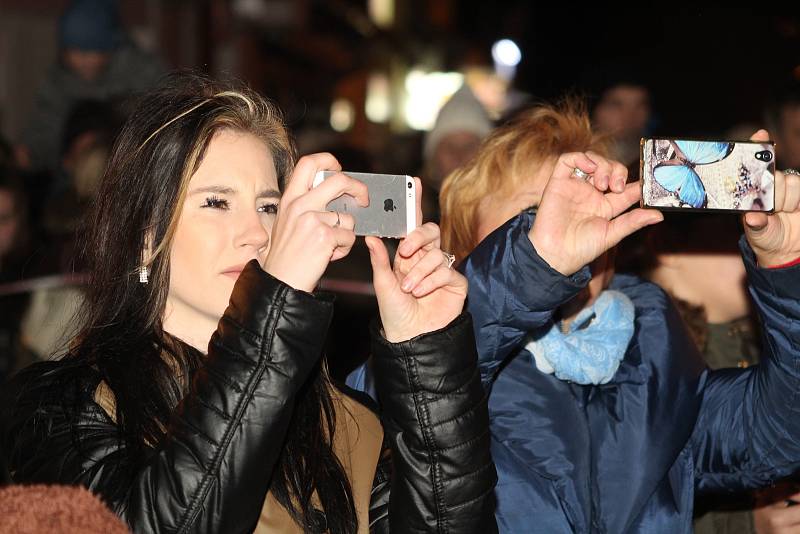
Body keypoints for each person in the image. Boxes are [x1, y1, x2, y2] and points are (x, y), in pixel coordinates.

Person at [1, 73, 497, 533]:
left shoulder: (344, 422)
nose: (256, 233)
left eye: (269, 206)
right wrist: (273, 306)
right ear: (148, 236)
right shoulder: (66, 406)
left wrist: (429, 361)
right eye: (216, 203)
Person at [439, 101, 800, 532]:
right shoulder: (433, 360)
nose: (567, 224)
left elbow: (774, 435)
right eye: (532, 216)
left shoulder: (655, 352)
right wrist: (534, 267)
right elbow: (408, 401)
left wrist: (786, 270)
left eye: (588, 205)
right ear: (467, 249)